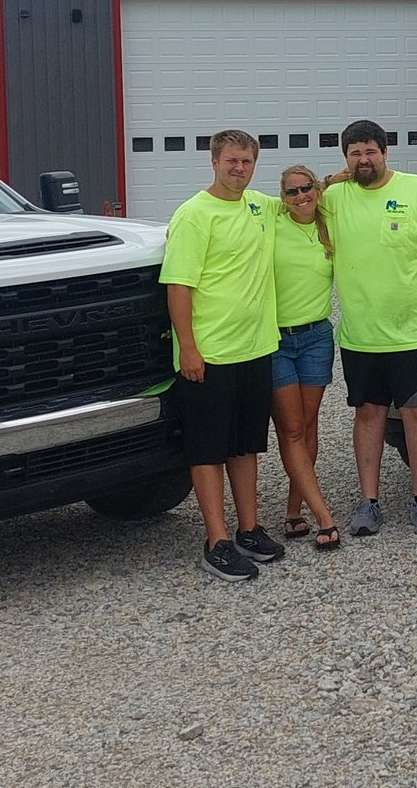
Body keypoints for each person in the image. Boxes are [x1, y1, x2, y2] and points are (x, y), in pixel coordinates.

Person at [318, 119, 417, 537]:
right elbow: (293, 200)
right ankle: (368, 502)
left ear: (385, 152)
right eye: (355, 153)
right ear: (345, 159)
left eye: (370, 151)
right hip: (362, 335)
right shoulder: (334, 199)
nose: (364, 159)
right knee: (368, 414)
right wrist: (330, 180)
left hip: (416, 331)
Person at [159, 130, 285, 581]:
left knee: (245, 445)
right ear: (214, 162)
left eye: (247, 162)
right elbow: (179, 286)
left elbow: (304, 193)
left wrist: (343, 173)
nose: (239, 169)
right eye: (231, 161)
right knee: (208, 449)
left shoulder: (258, 206)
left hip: (255, 348)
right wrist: (187, 348)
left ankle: (248, 528)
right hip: (209, 355)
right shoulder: (194, 215)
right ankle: (216, 539)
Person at [267, 164, 342, 551]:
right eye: (291, 192)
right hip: (276, 340)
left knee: (309, 426)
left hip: (316, 337)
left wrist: (330, 182)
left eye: (306, 189)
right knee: (292, 429)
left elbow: (335, 188)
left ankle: (294, 509)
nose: (300, 197)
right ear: (282, 198)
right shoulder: (270, 218)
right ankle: (323, 517)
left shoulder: (327, 225)